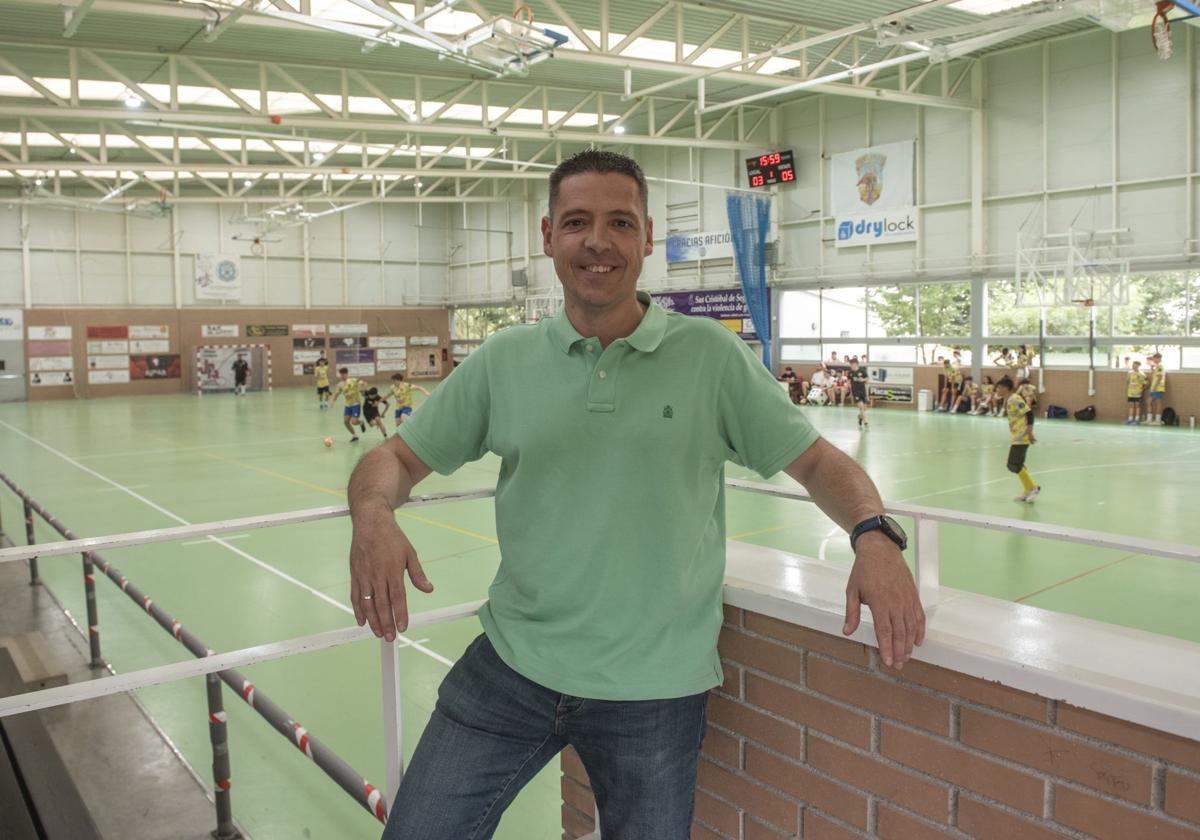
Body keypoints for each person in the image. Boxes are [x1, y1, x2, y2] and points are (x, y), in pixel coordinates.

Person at [346, 151, 924, 840]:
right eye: (577, 222)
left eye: (620, 222)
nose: (598, 241)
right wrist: (374, 513)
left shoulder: (710, 357)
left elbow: (819, 463)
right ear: (547, 236)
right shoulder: (504, 362)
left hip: (654, 692)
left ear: (648, 237)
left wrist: (874, 535)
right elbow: (395, 458)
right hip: (510, 668)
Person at [996, 377, 1040, 503]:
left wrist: (1030, 432)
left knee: (1012, 465)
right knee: (1018, 464)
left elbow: (1029, 413)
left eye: (999, 388)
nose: (997, 390)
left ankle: (1033, 488)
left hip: (1022, 436)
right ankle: (1027, 490)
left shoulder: (1015, 398)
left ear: (1005, 388)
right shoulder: (1009, 400)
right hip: (1016, 436)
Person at [330, 367, 366, 442]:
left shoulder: (353, 380)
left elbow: (363, 383)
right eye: (341, 374)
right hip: (347, 405)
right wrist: (333, 400)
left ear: (346, 374)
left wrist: (361, 388)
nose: (342, 376)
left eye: (343, 374)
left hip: (355, 404)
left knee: (354, 422)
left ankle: (361, 422)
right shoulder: (340, 384)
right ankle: (355, 436)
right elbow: (337, 393)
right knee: (346, 422)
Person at [848, 356, 869, 429]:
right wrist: (850, 392)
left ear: (857, 364)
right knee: (861, 407)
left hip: (862, 391)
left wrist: (862, 380)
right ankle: (866, 422)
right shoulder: (850, 372)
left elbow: (867, 378)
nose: (852, 365)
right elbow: (849, 382)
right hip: (855, 391)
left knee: (864, 408)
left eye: (853, 364)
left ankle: (860, 417)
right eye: (851, 364)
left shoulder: (862, 371)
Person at [1147, 353, 1166, 425]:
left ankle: (1158, 420)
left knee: (1158, 403)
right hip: (1153, 387)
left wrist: (1155, 387)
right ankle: (1149, 419)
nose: (1153, 360)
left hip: (1158, 387)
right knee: (1149, 402)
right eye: (1153, 358)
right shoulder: (1156, 367)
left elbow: (1160, 377)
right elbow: (1154, 376)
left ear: (1159, 359)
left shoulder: (1160, 366)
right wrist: (1152, 369)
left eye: (1155, 358)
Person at [1126, 360, 1147, 425]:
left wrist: (1142, 389)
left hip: (1138, 393)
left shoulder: (1142, 374)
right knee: (1131, 405)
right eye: (1133, 365)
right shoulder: (1129, 373)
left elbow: (1146, 383)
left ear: (1138, 366)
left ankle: (1137, 419)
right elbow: (1127, 381)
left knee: (1137, 405)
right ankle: (1130, 419)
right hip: (1130, 392)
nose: (1133, 366)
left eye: (1135, 365)